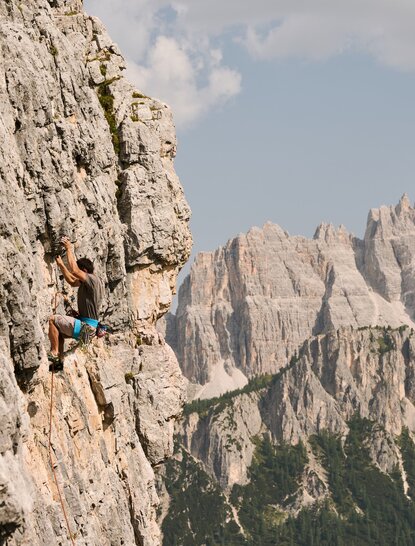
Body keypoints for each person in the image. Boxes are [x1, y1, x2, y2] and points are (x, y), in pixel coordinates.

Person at [48, 237, 104, 371]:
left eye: (80, 271)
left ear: (84, 270)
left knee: (52, 320)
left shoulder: (92, 280)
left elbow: (74, 270)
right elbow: (72, 281)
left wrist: (69, 248)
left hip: (86, 327)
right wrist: (61, 265)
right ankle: (58, 365)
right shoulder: (89, 283)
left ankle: (55, 353)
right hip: (87, 329)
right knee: (58, 332)